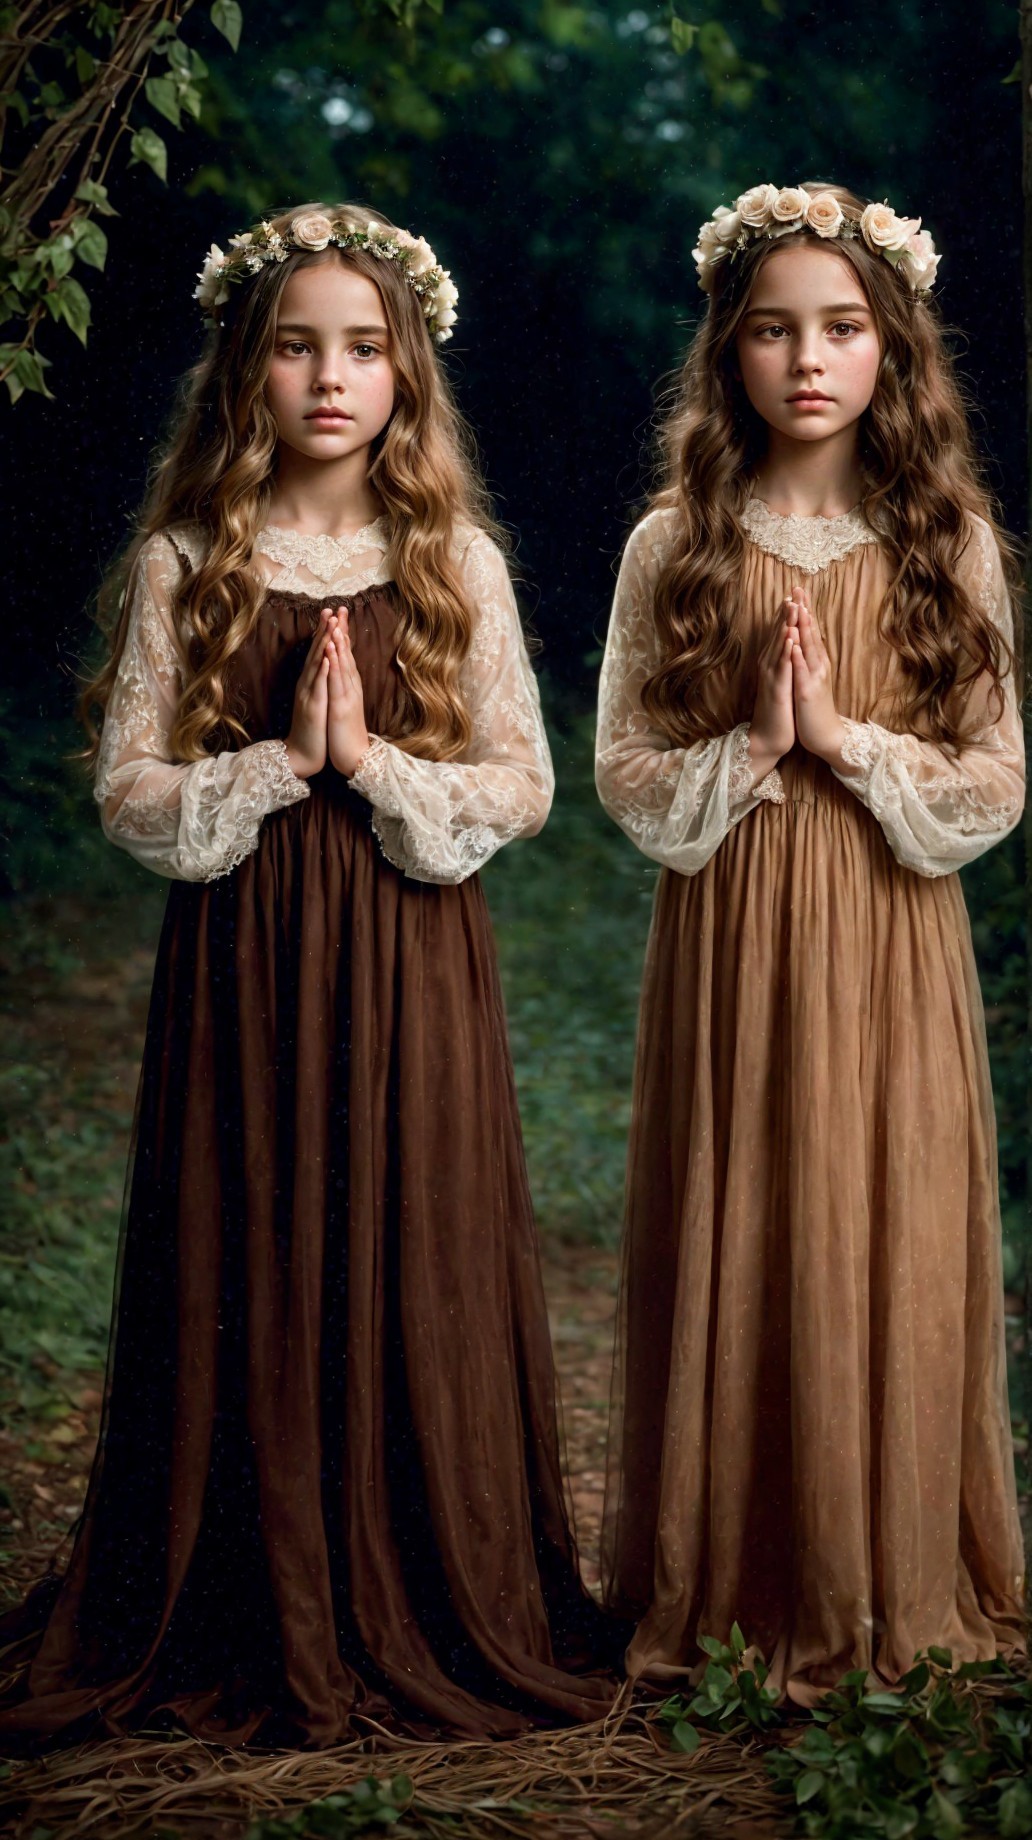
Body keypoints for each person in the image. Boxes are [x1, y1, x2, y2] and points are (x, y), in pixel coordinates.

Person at [0, 202, 616, 1750]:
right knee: (250, 1221)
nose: (329, 380)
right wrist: (282, 763)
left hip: (412, 953)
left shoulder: (451, 557)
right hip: (247, 957)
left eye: (361, 350)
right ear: (245, 372)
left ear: (407, 373)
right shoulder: (187, 559)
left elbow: (525, 785)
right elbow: (133, 791)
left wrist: (379, 768)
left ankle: (417, 1575)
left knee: (405, 1221)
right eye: (294, 348)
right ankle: (235, 1585)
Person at [595, 182, 1026, 1706]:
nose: (809, 358)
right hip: (731, 940)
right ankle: (732, 1575)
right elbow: (631, 778)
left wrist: (844, 743)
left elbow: (993, 779)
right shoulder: (677, 544)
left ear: (891, 347)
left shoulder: (948, 542)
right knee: (752, 1210)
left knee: (880, 1216)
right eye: (773, 329)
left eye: (842, 327)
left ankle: (878, 1572)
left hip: (892, 937)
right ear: (729, 355)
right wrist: (756, 751)